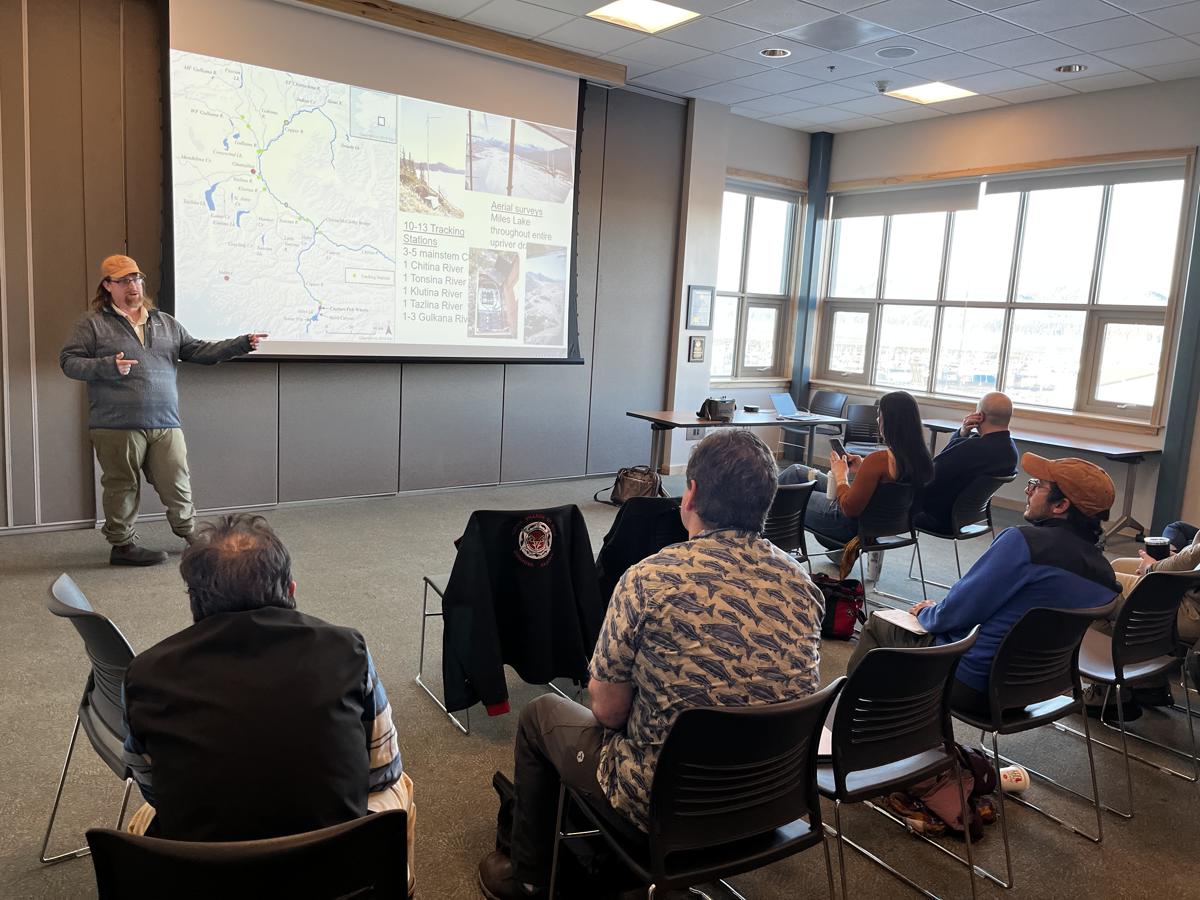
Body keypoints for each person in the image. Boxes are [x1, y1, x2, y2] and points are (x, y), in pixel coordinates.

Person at [477, 430, 823, 899]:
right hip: (772, 804)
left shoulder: (649, 579)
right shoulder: (803, 586)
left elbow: (607, 711)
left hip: (659, 810)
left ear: (692, 494)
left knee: (541, 714)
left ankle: (529, 878)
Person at [121, 514, 415, 895]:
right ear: (291, 588)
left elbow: (152, 788)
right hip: (335, 872)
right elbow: (383, 773)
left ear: (194, 602)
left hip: (205, 879)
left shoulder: (144, 673)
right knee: (400, 789)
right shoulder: (348, 649)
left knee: (143, 820)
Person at [846, 453, 1120, 715]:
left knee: (878, 625)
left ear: (1060, 506)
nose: (1028, 490)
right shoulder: (1106, 578)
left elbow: (957, 612)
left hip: (970, 682)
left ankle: (850, 728)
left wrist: (927, 612)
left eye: (1037, 486)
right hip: (1037, 691)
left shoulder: (1023, 543)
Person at [59, 255, 267, 566]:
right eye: (124, 280)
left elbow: (198, 351)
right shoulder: (92, 324)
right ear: (108, 286)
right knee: (121, 486)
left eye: (137, 278)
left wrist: (240, 344)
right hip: (116, 424)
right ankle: (123, 546)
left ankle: (191, 535)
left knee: (177, 481)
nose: (133, 285)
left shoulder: (165, 322)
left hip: (166, 422)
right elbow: (69, 362)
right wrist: (107, 366)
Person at [779, 390, 933, 547]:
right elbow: (888, 485)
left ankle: (765, 541)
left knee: (787, 496)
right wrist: (863, 467)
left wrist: (841, 476)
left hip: (847, 523)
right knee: (797, 471)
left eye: (881, 415)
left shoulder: (878, 460)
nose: (877, 419)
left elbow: (848, 508)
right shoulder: (922, 459)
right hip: (890, 524)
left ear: (891, 421)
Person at [1097, 523, 1200, 716]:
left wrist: (1152, 568)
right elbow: (1194, 555)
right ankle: (1148, 682)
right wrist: (1172, 560)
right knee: (1117, 565)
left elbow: (1195, 556)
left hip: (1191, 610)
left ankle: (1107, 692)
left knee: (1098, 585)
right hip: (1190, 588)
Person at [914, 392, 1018, 534]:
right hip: (968, 519)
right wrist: (962, 434)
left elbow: (930, 476)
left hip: (938, 519)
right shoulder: (1011, 451)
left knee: (883, 500)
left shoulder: (972, 449)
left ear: (979, 416)